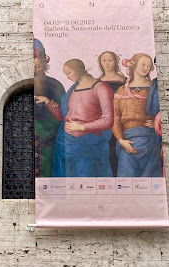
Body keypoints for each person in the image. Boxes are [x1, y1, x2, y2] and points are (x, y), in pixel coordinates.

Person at [35, 59, 113, 177]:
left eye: (69, 73)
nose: (68, 77)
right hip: (66, 144)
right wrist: (47, 102)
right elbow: (62, 117)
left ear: (78, 70)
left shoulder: (101, 88)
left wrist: (81, 127)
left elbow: (108, 120)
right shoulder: (72, 90)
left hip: (88, 146)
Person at [113, 53, 163, 178]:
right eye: (143, 64)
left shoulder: (155, 88)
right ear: (134, 65)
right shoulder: (121, 90)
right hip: (128, 142)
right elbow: (116, 118)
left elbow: (162, 112)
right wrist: (121, 140)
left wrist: (156, 123)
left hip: (151, 141)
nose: (146, 68)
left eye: (149, 66)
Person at [32, 39, 65, 178]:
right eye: (31, 67)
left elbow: (64, 114)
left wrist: (49, 103)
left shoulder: (55, 85)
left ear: (44, 66)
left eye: (38, 66)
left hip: (50, 145)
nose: (34, 71)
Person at [98, 50, 127, 177]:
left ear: (115, 62)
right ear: (100, 63)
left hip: (121, 120)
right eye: (104, 61)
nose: (107, 63)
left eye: (110, 60)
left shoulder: (124, 81)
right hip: (105, 121)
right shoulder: (97, 82)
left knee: (121, 150)